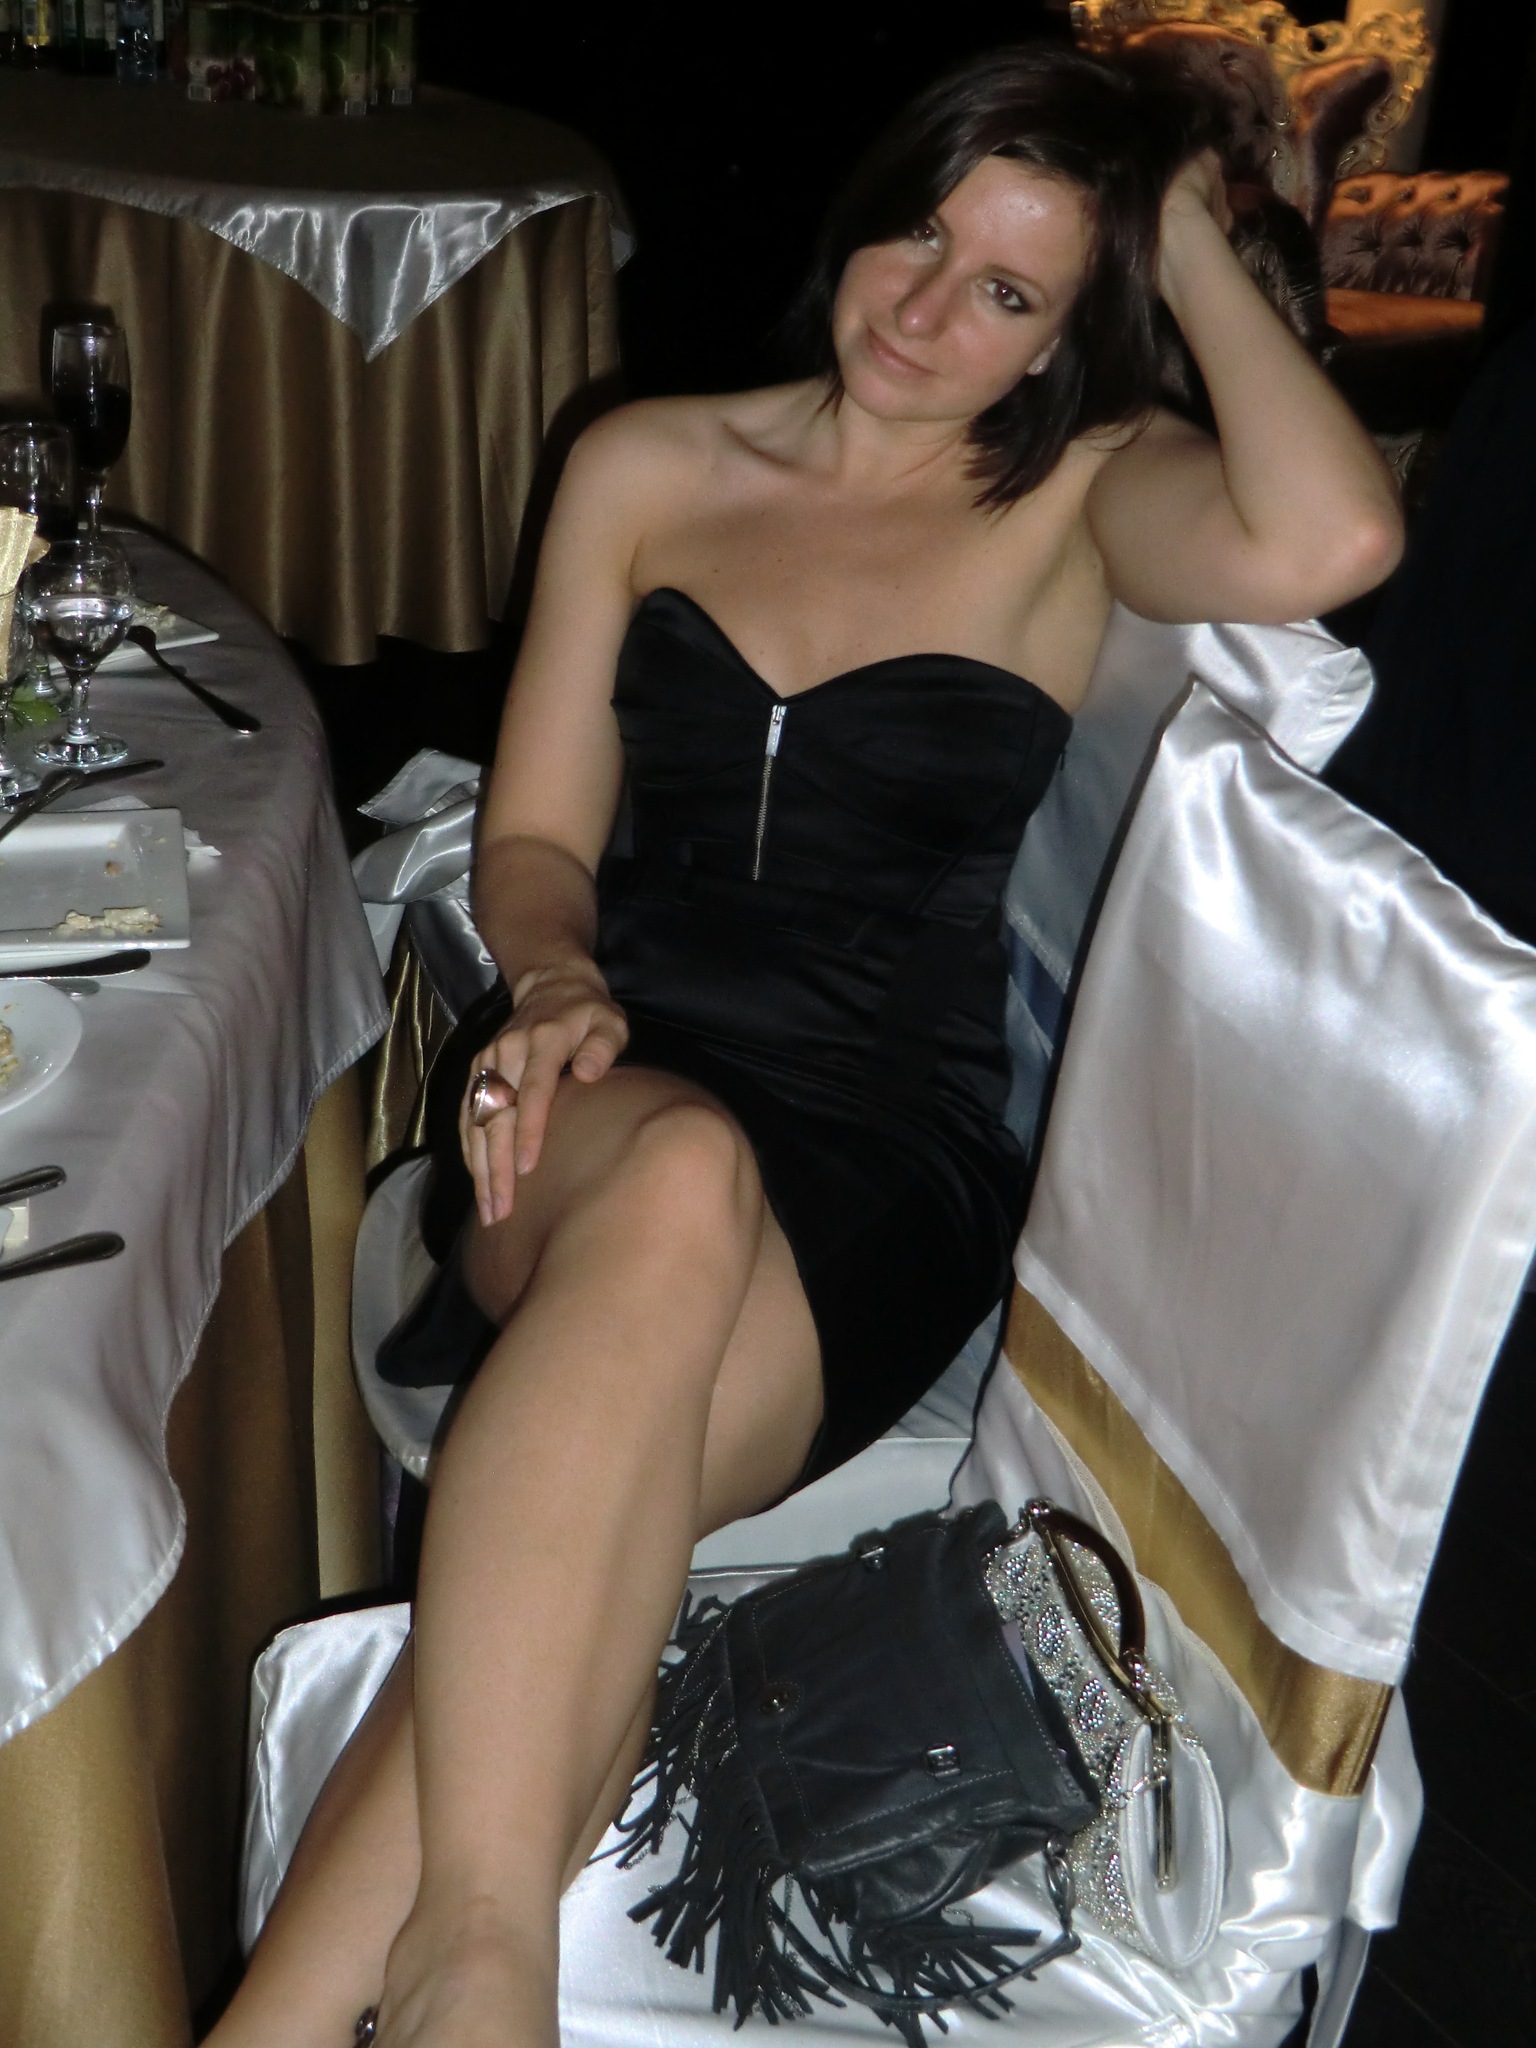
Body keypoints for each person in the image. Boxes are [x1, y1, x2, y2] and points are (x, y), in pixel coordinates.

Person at [211, 45, 1402, 2048]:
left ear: (1065, 339)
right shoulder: (646, 463)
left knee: (573, 1559)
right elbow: (534, 837)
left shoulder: (1077, 499)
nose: (924, 312)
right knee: (670, 1189)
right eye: (918, 235)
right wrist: (553, 977)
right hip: (598, 1099)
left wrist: (1181, 221)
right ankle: (476, 1977)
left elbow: (1335, 533)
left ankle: (352, 2001)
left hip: (881, 1176)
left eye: (1007, 292)